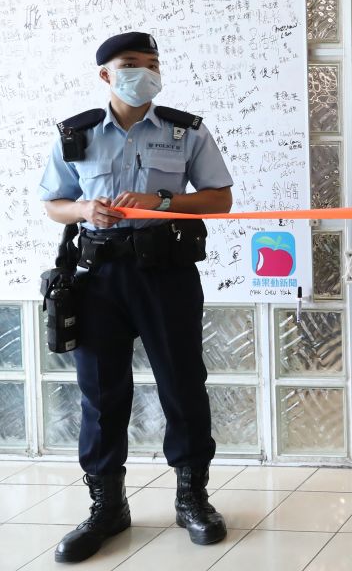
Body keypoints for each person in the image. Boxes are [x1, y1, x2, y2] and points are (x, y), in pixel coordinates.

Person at [38, 32, 234, 563]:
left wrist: (164, 200)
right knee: (101, 394)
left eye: (152, 64)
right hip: (99, 279)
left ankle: (192, 497)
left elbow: (220, 199)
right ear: (106, 74)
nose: (143, 72)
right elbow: (54, 202)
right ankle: (107, 506)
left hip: (166, 273)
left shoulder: (184, 129)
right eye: (130, 64)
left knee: (183, 385)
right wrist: (84, 212)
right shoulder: (75, 134)